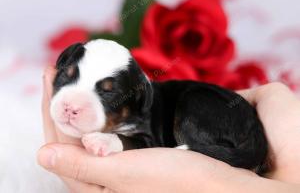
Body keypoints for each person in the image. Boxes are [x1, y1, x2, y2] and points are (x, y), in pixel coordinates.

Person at [37, 67, 300, 193]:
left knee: (192, 111)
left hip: (230, 134)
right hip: (241, 141)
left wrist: (229, 185)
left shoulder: (156, 105)